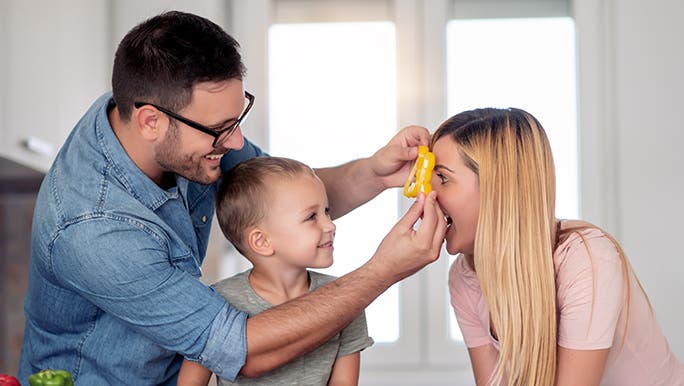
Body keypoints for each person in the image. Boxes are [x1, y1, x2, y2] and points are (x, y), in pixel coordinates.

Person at [18, 10, 447, 385]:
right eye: (221, 128)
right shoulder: (94, 228)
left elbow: (279, 202)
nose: (237, 140)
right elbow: (242, 353)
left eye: (238, 117)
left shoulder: (157, 115)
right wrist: (383, 271)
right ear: (150, 121)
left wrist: (373, 173)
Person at [432, 107, 684, 385]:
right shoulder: (464, 278)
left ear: (497, 191)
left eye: (442, 178)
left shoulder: (587, 261)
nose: (426, 194)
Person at [177, 156, 374, 386]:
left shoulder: (346, 299)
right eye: (312, 216)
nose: (330, 224)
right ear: (261, 241)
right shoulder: (217, 305)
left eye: (327, 211)